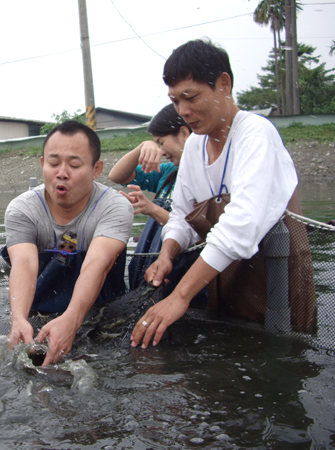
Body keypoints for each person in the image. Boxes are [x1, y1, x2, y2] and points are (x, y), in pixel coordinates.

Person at [131, 39, 315, 349]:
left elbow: (240, 225)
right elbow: (181, 216)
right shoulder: (194, 146)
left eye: (190, 97)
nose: (183, 111)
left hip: (277, 289)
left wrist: (180, 296)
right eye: (175, 100)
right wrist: (167, 254)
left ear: (224, 84)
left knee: (280, 362)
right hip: (223, 286)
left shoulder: (256, 133)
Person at [3, 120, 134, 366]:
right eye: (53, 163)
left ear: (97, 169)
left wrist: (72, 320)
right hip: (40, 311)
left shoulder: (115, 206)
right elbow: (24, 262)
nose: (62, 172)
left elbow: (98, 263)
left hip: (104, 312)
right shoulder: (22, 209)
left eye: (74, 164)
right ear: (42, 164)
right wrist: (18, 318)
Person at [109, 105, 191, 289]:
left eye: (161, 142)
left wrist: (152, 209)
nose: (161, 151)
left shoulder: (204, 179)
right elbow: (117, 175)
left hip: (180, 275)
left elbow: (196, 233)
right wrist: (142, 147)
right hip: (152, 269)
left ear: (184, 134)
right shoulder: (170, 171)